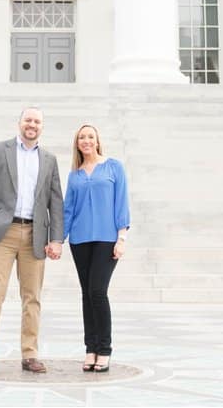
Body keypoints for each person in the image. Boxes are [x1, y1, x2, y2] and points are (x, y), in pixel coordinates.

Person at [0, 106, 64, 376]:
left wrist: (56, 238)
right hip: (2, 233)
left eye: (37, 121)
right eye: (28, 120)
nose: (32, 124)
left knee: (32, 298)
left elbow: (55, 202)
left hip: (35, 235)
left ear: (42, 126)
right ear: (20, 123)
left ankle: (30, 354)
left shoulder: (48, 159)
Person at [62, 123, 130, 373]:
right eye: (82, 137)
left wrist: (122, 238)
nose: (86, 141)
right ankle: (90, 348)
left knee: (98, 292)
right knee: (86, 295)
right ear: (77, 143)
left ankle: (104, 349)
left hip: (106, 239)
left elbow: (121, 201)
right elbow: (68, 209)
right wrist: (58, 239)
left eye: (90, 136)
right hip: (80, 240)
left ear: (98, 140)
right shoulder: (75, 174)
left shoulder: (113, 167)